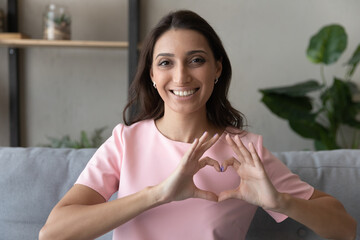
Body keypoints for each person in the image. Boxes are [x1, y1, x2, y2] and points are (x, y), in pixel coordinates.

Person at [39, 10, 356, 240]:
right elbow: (53, 233)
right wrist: (158, 194)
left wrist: (278, 201)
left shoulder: (245, 151)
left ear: (217, 68)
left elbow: (345, 228)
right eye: (165, 62)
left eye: (196, 60)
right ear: (152, 74)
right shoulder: (126, 141)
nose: (181, 77)